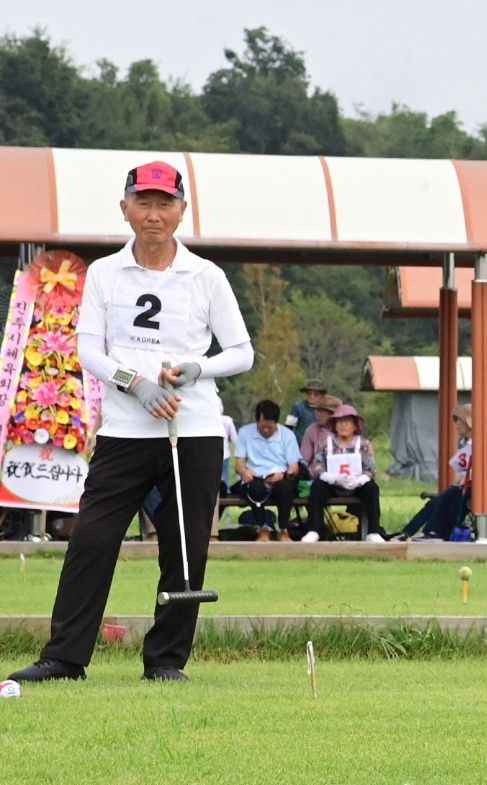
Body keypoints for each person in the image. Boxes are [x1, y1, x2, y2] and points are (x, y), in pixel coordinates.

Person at [8, 160, 253, 684]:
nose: (154, 214)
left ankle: (166, 660)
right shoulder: (103, 273)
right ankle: (64, 657)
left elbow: (241, 351)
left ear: (182, 211)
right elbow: (88, 348)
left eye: (165, 203)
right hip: (124, 429)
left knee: (185, 542)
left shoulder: (207, 276)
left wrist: (196, 368)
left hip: (193, 429)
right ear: (126, 208)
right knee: (92, 537)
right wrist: (135, 384)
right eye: (143, 202)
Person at [412, 399, 487, 540]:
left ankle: (441, 532)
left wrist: (471, 477)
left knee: (460, 495)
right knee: (451, 493)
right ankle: (433, 532)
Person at [300, 403, 384, 542]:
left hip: (356, 485)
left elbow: (370, 470)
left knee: (372, 489)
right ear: (334, 425)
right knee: (317, 487)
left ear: (355, 426)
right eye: (340, 422)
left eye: (347, 422)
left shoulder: (364, 444)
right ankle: (314, 530)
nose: (343, 425)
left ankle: (373, 531)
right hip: (333, 485)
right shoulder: (324, 443)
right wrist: (333, 478)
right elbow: (317, 467)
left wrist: (359, 480)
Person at [232, 399, 302, 537]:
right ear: (256, 420)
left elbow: (294, 466)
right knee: (254, 488)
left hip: (279, 477)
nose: (265, 430)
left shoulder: (288, 435)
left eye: (269, 427)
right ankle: (263, 528)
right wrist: (244, 472)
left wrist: (283, 475)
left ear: (276, 422)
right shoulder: (245, 432)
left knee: (286, 488)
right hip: (255, 477)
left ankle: (283, 530)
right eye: (262, 426)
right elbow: (239, 463)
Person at [296, 389, 344, 479]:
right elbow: (304, 457)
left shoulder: (344, 430)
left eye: (322, 412)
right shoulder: (311, 430)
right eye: (317, 411)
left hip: (340, 472)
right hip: (316, 473)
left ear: (333, 414)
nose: (317, 415)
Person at [286, 379, 329, 444]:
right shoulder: (297, 407)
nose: (312, 396)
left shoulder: (327, 410)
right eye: (309, 393)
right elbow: (288, 427)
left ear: (322, 396)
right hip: (300, 445)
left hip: (320, 445)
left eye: (316, 394)